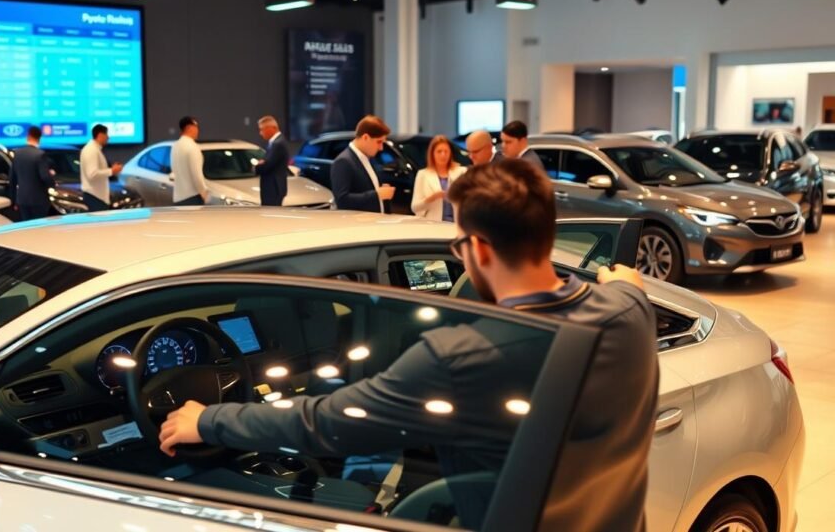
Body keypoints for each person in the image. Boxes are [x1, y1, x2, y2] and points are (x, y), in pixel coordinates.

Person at [159, 159, 659, 532]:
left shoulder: (460, 358)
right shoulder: (631, 312)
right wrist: (621, 281)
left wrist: (205, 420)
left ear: (480, 249)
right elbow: (626, 282)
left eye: (460, 245)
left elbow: (325, 423)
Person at [330, 115, 395, 212]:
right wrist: (377, 194)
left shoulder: (369, 158)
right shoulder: (343, 161)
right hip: (359, 223)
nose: (381, 148)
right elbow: (342, 200)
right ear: (365, 137)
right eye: (379, 142)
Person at [411, 135, 467, 222]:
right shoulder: (423, 174)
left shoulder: (461, 172)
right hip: (433, 224)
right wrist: (432, 198)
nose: (443, 155)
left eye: (446, 151)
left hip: (456, 223)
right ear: (432, 154)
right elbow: (415, 207)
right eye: (439, 151)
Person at [8, 126, 56, 221]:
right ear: (40, 138)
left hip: (22, 199)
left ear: (28, 136)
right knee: (39, 228)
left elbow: (12, 179)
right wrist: (52, 182)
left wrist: (14, 200)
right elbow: (45, 177)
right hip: (38, 200)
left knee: (27, 227)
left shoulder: (17, 153)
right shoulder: (40, 154)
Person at [80, 124, 123, 212]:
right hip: (94, 196)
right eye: (106, 134)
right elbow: (92, 174)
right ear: (100, 135)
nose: (108, 137)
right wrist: (111, 171)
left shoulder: (95, 149)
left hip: (98, 196)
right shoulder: (91, 150)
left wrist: (111, 170)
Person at [171, 116, 209, 206]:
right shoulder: (192, 147)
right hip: (192, 198)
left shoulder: (175, 146)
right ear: (189, 127)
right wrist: (204, 192)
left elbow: (174, 170)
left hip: (178, 198)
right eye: (196, 127)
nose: (197, 130)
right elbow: (197, 175)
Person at [254, 115, 289, 207]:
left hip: (273, 188)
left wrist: (256, 166)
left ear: (271, 128)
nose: (261, 133)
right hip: (273, 187)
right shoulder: (275, 142)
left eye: (262, 129)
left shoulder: (278, 144)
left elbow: (267, 165)